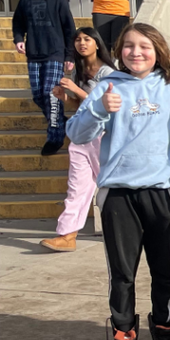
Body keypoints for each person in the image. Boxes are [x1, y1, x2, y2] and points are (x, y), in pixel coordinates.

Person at [65, 23, 170, 340]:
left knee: (164, 273)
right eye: (128, 46)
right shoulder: (107, 86)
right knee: (122, 274)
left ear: (159, 49)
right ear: (119, 51)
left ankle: (165, 338)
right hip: (118, 195)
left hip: (162, 194)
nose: (136, 52)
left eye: (144, 46)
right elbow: (75, 132)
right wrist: (98, 110)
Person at [40, 29, 117, 252]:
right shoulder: (79, 70)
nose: (81, 44)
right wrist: (66, 97)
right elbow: (82, 106)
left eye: (87, 39)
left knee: (112, 186)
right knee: (77, 188)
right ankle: (67, 235)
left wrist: (75, 89)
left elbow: (104, 102)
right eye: (78, 40)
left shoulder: (108, 72)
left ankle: (123, 229)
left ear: (97, 43)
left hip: (102, 135)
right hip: (80, 136)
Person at [12, 0, 76, 154]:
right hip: (34, 53)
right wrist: (18, 39)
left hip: (55, 53)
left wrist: (70, 55)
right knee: (38, 96)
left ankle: (54, 137)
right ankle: (61, 123)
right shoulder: (25, 1)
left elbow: (69, 28)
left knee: (51, 94)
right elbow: (18, 23)